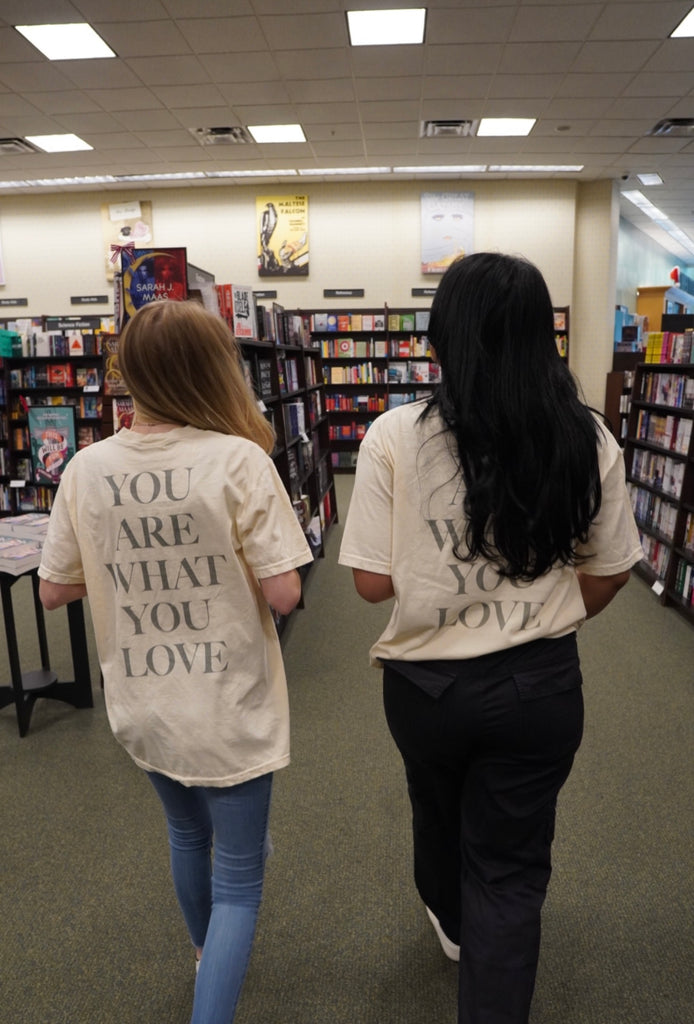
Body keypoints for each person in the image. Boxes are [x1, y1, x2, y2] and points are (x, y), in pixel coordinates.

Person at [338, 252, 643, 1024]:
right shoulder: (588, 438)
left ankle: (449, 914)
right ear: (544, 335)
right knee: (509, 871)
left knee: (435, 810)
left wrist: (438, 571)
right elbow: (610, 571)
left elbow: (370, 583)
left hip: (425, 687)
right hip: (540, 685)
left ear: (445, 336)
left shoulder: (394, 436)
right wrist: (538, 611)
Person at [38, 299, 314, 1024]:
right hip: (228, 704)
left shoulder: (87, 467)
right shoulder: (238, 459)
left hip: (144, 703)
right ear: (214, 372)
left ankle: (203, 954)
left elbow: (53, 588)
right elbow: (285, 594)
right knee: (242, 884)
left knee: (188, 833)